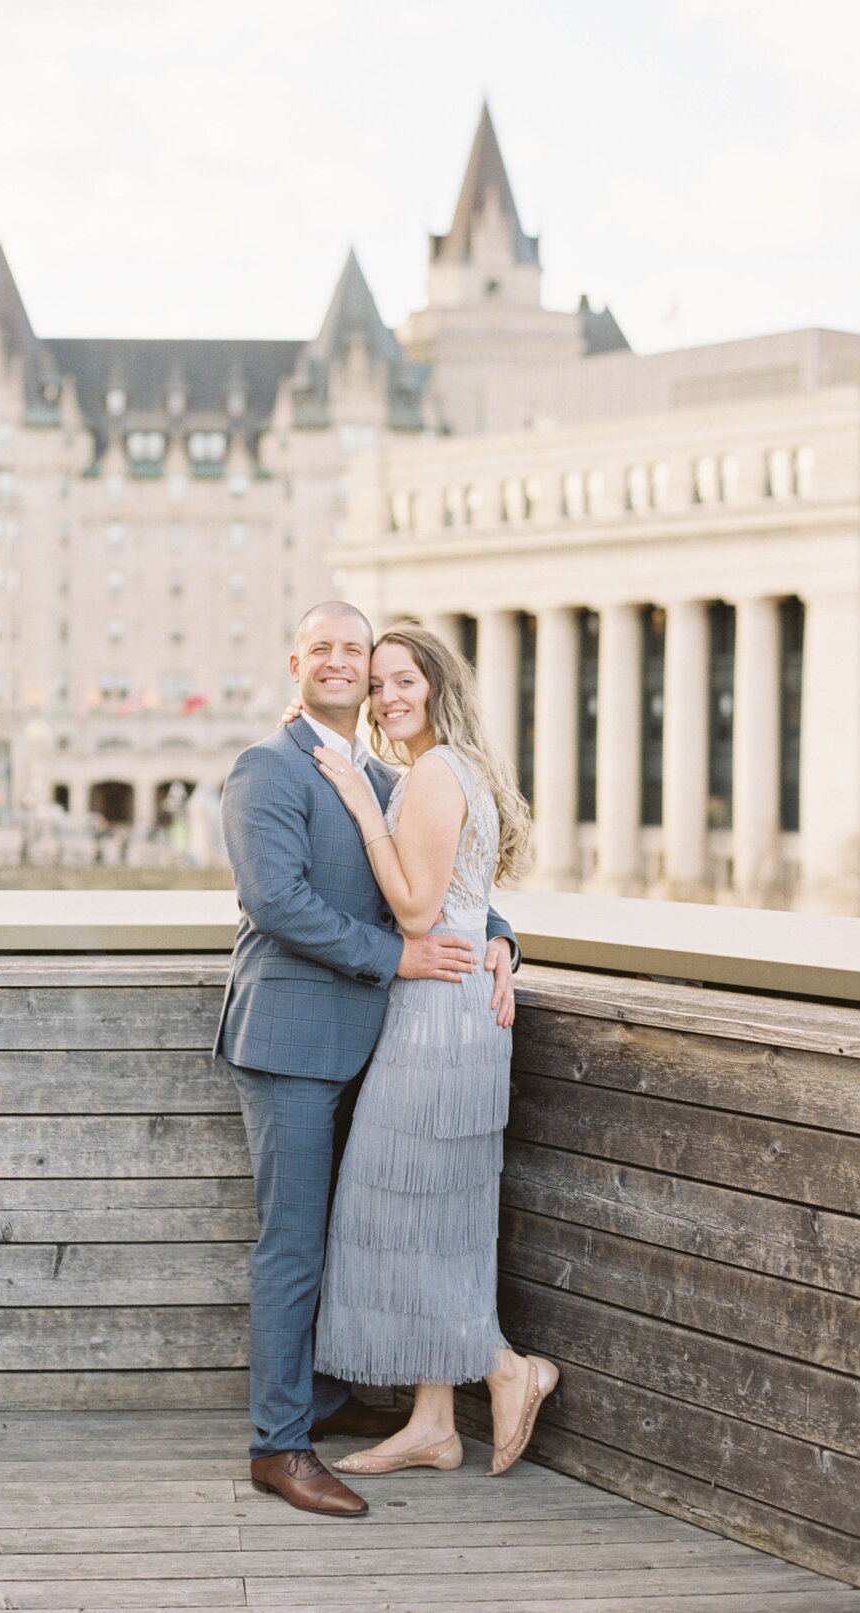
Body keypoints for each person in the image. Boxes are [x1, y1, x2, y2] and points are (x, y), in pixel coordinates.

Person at [216, 601, 519, 1518]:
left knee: (356, 1226)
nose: (348, 666)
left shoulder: (380, 772)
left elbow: (432, 878)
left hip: (378, 1043)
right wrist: (399, 956)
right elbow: (278, 902)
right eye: (330, 650)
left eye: (362, 651)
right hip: (294, 1040)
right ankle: (279, 1445)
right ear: (296, 663)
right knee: (294, 1244)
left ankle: (322, 1398)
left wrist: (501, 939)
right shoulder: (266, 768)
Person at [311, 621, 559, 1479]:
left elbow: (417, 914)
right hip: (454, 1011)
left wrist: (355, 801)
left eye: (402, 679)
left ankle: (504, 1367)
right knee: (432, 1215)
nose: (386, 697)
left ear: (438, 684)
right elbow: (458, 904)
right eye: (378, 684)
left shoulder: (434, 771)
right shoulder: (455, 769)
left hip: (437, 1021)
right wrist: (501, 940)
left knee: (400, 1203)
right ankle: (433, 1420)